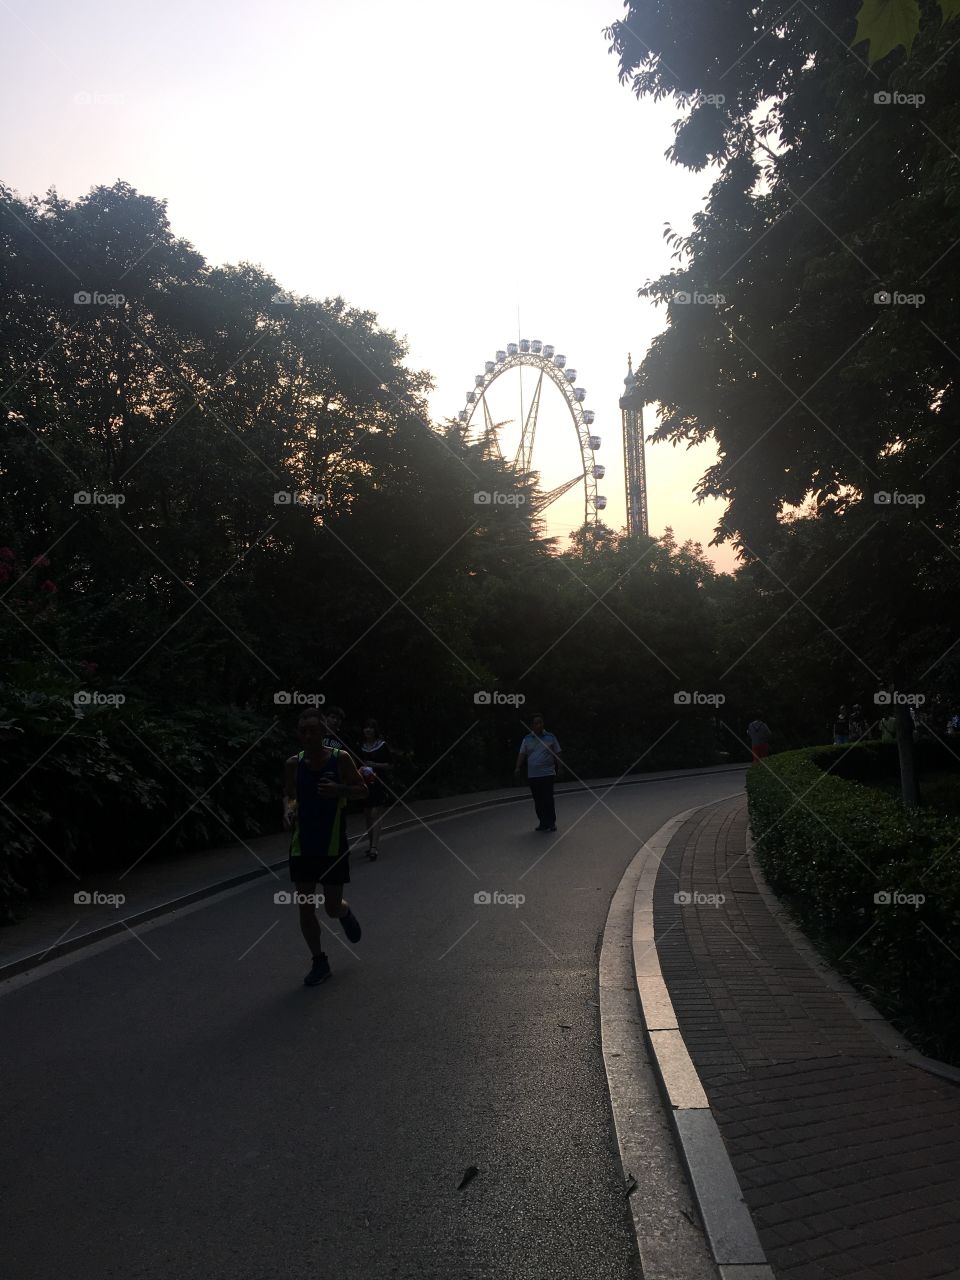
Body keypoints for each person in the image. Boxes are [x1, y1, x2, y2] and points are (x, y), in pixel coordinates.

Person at [283, 709, 368, 987]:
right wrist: (289, 810)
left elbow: (362, 791)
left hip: (332, 844)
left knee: (330, 907)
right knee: (306, 906)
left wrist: (339, 790)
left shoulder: (339, 759)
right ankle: (319, 961)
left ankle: (343, 912)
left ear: (323, 733)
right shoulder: (293, 764)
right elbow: (290, 796)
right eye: (303, 730)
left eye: (313, 730)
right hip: (302, 845)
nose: (308, 735)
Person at [514, 713, 562, 832]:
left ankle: (551, 822)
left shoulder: (550, 737)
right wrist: (517, 767)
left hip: (547, 774)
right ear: (532, 726)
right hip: (533, 775)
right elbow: (522, 754)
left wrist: (560, 767)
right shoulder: (527, 739)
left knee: (548, 799)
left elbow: (558, 753)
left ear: (543, 724)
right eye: (536, 723)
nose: (538, 725)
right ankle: (542, 822)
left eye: (540, 722)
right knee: (538, 800)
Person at [359, 718, 393, 860]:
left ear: (375, 730)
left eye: (371, 727)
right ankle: (370, 844)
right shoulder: (360, 747)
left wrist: (375, 765)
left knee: (375, 813)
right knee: (367, 814)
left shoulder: (382, 745)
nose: (368, 730)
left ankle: (374, 847)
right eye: (366, 727)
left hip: (379, 783)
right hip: (365, 784)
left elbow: (390, 765)